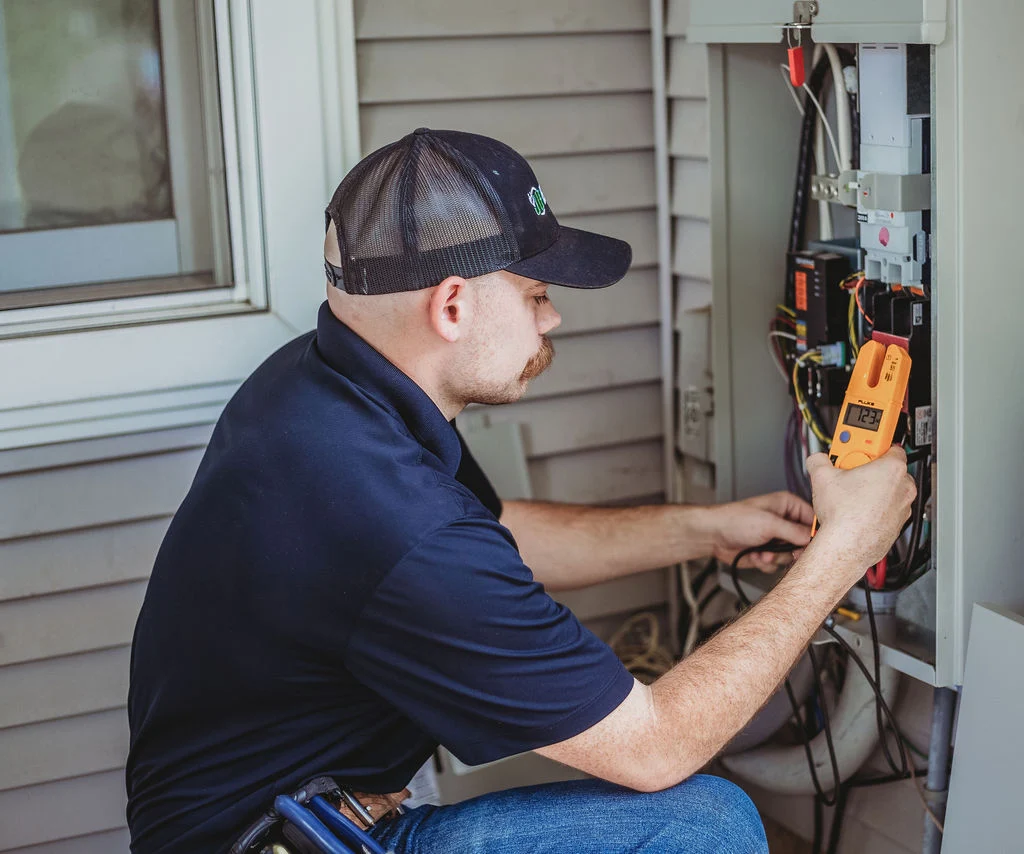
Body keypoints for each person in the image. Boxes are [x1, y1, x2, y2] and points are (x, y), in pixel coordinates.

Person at [126, 128, 915, 854]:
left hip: (279, 811)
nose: (555, 318)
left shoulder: (322, 382)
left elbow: (502, 534)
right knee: (701, 827)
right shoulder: (399, 524)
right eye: (536, 294)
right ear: (453, 306)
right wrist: (842, 551)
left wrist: (706, 529)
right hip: (281, 840)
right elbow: (653, 746)